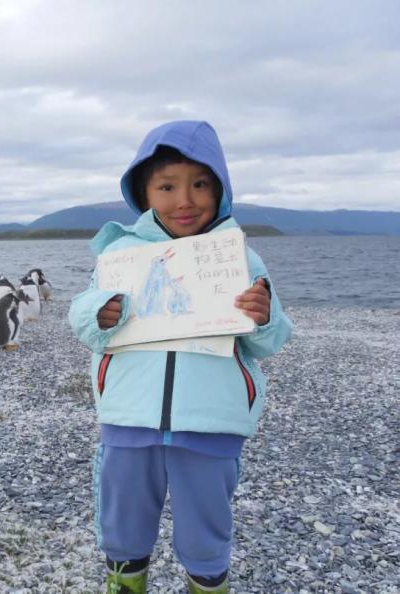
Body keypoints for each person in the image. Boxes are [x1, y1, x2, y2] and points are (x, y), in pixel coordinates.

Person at [68, 120, 293, 594]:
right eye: (167, 187)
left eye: (200, 184)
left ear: (220, 189)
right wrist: (98, 314)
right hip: (128, 417)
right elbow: (84, 323)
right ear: (143, 192)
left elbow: (268, 343)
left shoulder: (241, 257)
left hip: (211, 422)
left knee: (205, 529)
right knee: (123, 522)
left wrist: (265, 316)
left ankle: (207, 583)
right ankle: (125, 583)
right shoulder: (120, 254)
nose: (185, 200)